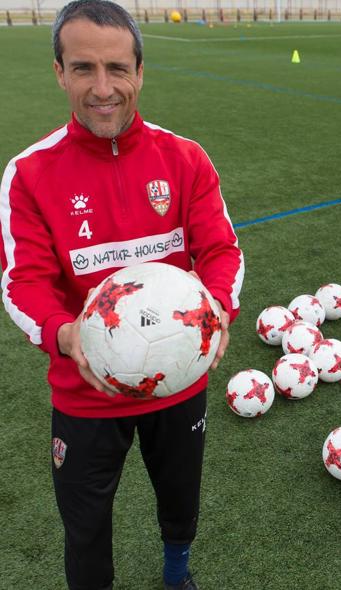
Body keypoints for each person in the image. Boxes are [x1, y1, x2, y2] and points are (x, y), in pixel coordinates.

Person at [0, 1, 244, 588]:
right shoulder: (30, 174)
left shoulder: (184, 159)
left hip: (179, 376)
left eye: (118, 69)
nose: (103, 88)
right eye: (84, 69)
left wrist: (216, 308)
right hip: (85, 395)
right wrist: (67, 334)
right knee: (84, 525)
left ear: (140, 70)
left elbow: (220, 251)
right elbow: (22, 281)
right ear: (60, 72)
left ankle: (177, 572)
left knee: (181, 498)